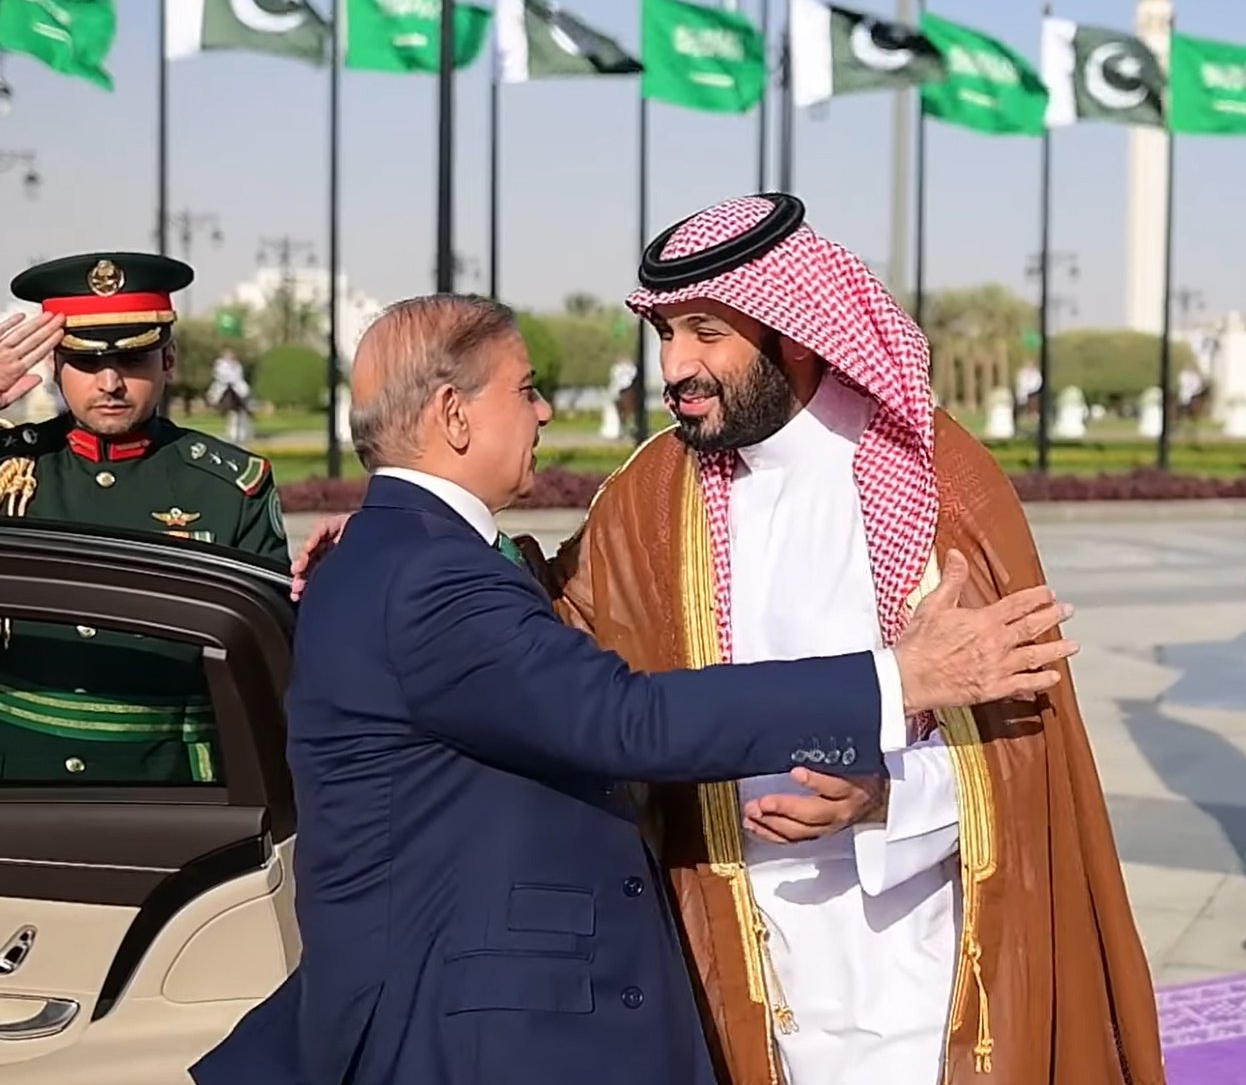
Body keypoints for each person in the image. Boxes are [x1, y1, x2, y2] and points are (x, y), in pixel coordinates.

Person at [204, 294, 1073, 1085]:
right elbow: (623, 717)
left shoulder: (405, 556)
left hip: (890, 971)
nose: (544, 410)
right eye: (526, 389)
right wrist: (900, 676)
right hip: (489, 1033)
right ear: (453, 414)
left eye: (702, 332)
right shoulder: (427, 573)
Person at [541, 194, 1162, 1085]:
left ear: (794, 332)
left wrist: (884, 800)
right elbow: (555, 636)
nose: (677, 365)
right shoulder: (652, 497)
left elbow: (1025, 761)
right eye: (666, 333)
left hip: (918, 979)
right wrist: (418, 558)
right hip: (733, 964)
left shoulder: (943, 485)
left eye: (706, 332)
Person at [0, 251, 290, 785]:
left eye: (133, 360)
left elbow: (269, 653)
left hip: (174, 787)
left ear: (169, 360)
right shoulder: (10, 466)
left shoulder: (229, 483)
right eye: (86, 363)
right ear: (54, 366)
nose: (109, 382)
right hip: (18, 777)